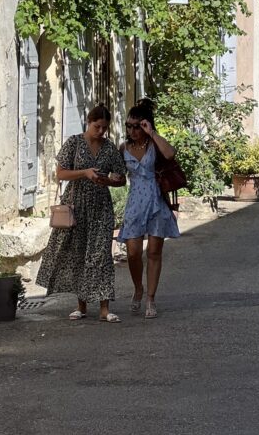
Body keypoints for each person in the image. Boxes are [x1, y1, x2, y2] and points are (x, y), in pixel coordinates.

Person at [37, 103, 126, 323]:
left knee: (101, 255)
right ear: (89, 122)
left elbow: (121, 177)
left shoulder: (109, 148)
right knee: (79, 254)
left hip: (100, 207)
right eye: (97, 126)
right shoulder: (74, 143)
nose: (101, 131)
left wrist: (109, 180)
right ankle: (81, 305)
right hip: (76, 205)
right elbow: (61, 173)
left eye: (104, 127)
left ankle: (104, 308)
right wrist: (85, 173)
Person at [117, 99, 180, 319]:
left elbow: (170, 154)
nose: (133, 131)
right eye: (129, 126)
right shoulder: (123, 148)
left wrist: (151, 133)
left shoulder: (154, 144)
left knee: (154, 252)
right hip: (135, 203)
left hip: (155, 202)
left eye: (137, 126)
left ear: (145, 125)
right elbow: (117, 176)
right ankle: (138, 288)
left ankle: (151, 298)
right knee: (133, 252)